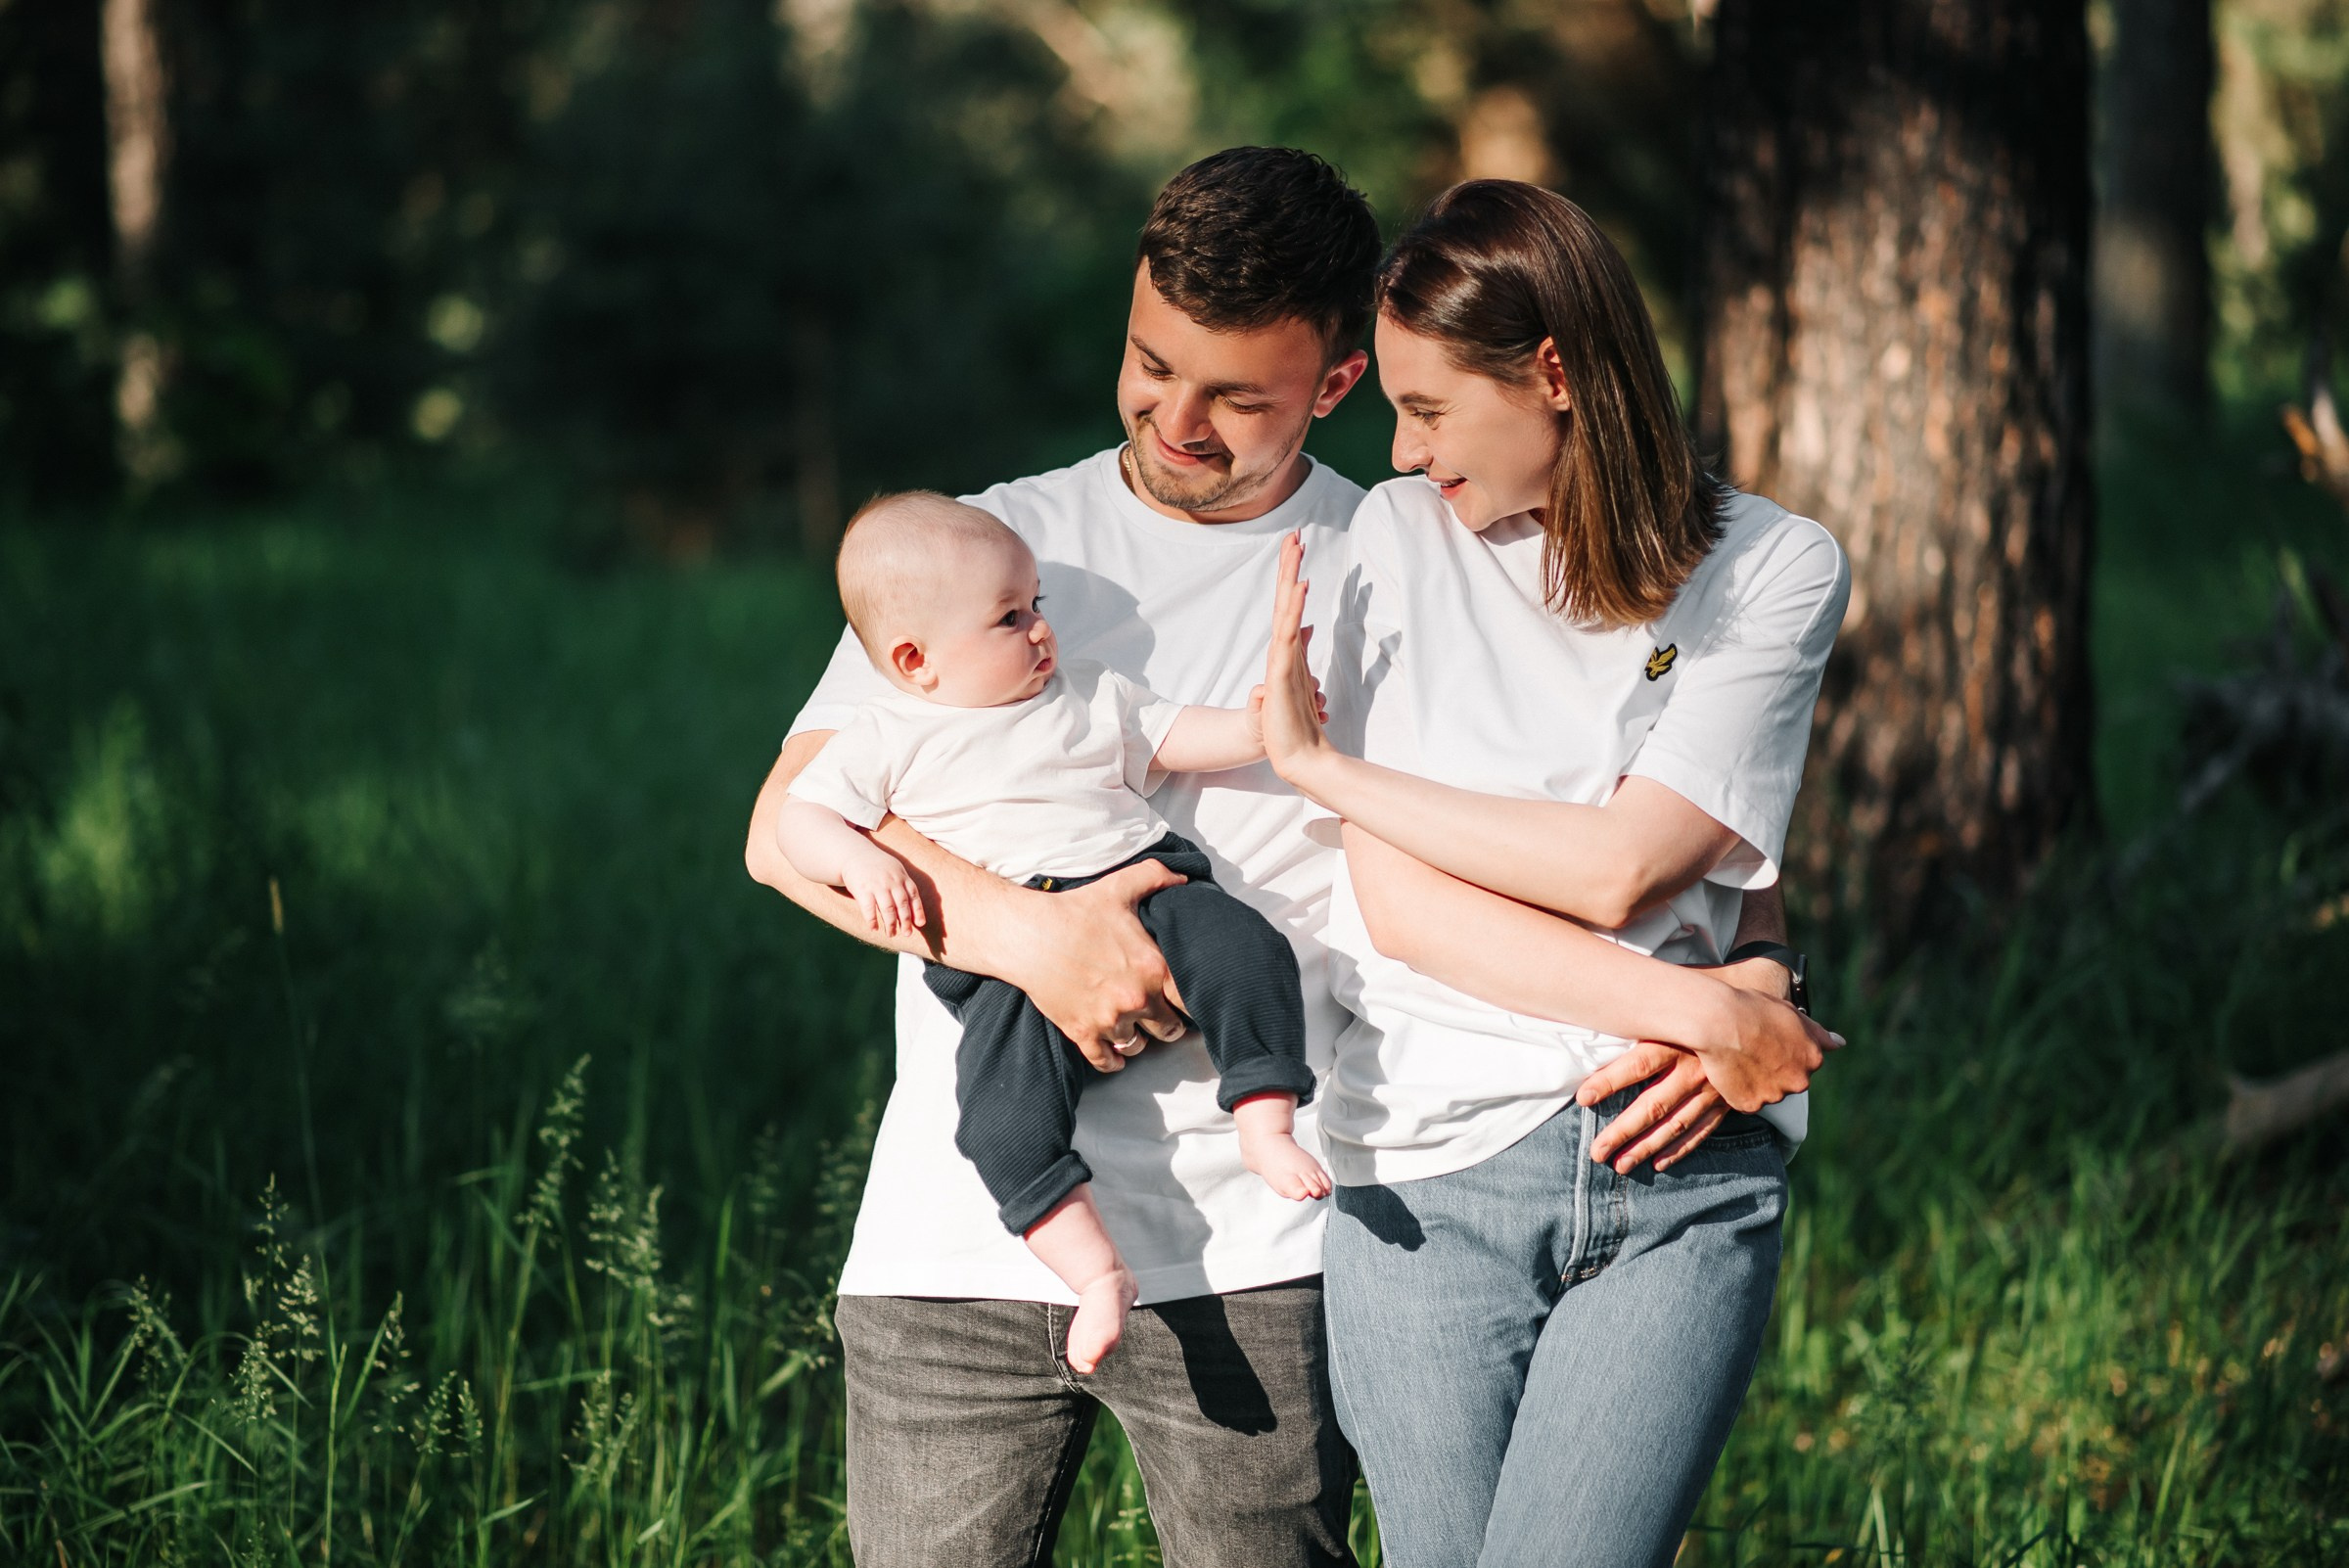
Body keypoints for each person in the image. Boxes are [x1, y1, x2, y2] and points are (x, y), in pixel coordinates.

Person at [744, 149, 1830, 1568]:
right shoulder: (989, 547)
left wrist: (1743, 970)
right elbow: (789, 831)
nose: (1172, 420)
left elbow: (1649, 800)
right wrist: (1031, 938)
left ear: (1334, 385)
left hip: (1261, 1240)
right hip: (966, 1232)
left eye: (1233, 397)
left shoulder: (1398, 540)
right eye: (1149, 365)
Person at [1256, 179, 1852, 1568]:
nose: (1399, 454)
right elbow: (1402, 910)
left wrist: (1331, 773)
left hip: (1680, 1167)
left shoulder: (1770, 566)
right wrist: (1722, 1005)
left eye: (1428, 409)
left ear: (1559, 374)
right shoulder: (1392, 546)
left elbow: (1631, 862)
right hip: (1423, 1178)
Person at [772, 491, 1327, 1377]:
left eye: (1037, 607)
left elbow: (1178, 735)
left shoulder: (1085, 695)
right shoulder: (886, 734)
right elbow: (798, 825)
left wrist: (1262, 722)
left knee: (1249, 952)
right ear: (915, 661)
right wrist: (859, 859)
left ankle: (1264, 1115)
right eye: (1008, 618)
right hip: (1004, 969)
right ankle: (1094, 1269)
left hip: (1143, 882)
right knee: (999, 1121)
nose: (1039, 631)